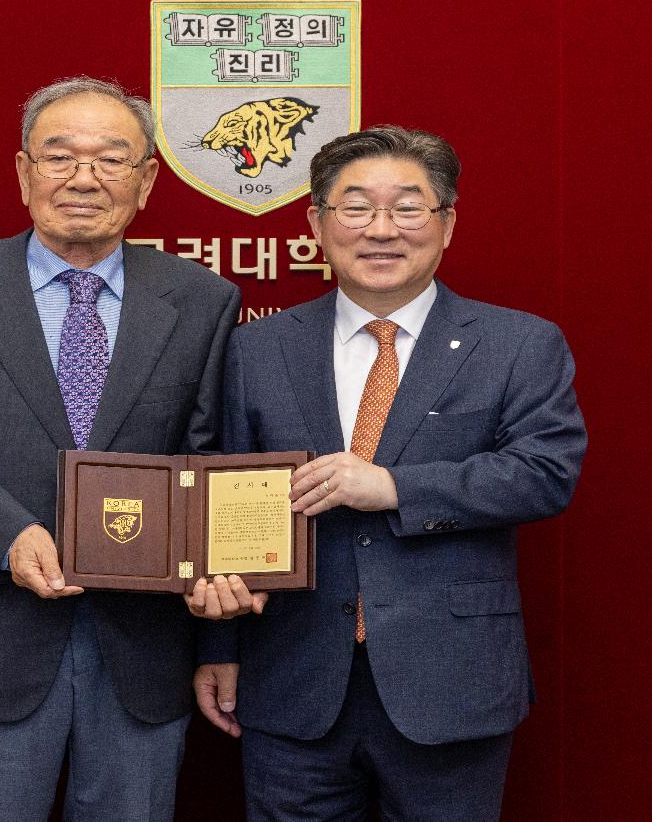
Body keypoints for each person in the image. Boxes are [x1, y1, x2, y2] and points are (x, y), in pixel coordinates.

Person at [0, 76, 241, 821]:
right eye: (59, 157)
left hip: (143, 649)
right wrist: (4, 534)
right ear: (24, 172)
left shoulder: (202, 300)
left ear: (146, 182)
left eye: (111, 159)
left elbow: (210, 463)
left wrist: (220, 632)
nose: (83, 179)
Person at [189, 126, 587, 821]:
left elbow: (544, 473)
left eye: (407, 208)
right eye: (355, 207)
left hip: (451, 679)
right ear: (316, 224)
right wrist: (218, 643)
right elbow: (226, 493)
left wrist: (396, 488)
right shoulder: (258, 348)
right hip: (292, 677)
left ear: (447, 224)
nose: (381, 229)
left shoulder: (519, 343)